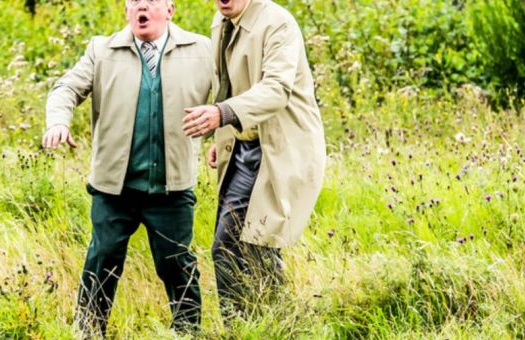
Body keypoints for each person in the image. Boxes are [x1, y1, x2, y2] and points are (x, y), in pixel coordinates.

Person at [42, 0, 212, 335]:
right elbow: (66, 89)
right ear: (126, 11)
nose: (141, 7)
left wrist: (223, 139)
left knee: (176, 264)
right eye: (134, 2)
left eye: (150, 1)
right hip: (113, 189)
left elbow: (226, 97)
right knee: (102, 260)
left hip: (171, 187)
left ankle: (187, 333)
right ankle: (89, 331)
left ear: (170, 9)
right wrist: (58, 121)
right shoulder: (102, 51)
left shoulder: (201, 50)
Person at [181, 0, 326, 319]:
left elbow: (276, 90)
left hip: (281, 149)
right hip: (244, 148)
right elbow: (227, 87)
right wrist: (224, 136)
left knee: (250, 245)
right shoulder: (221, 22)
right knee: (238, 247)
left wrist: (222, 115)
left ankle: (270, 325)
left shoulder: (278, 23)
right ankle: (253, 326)